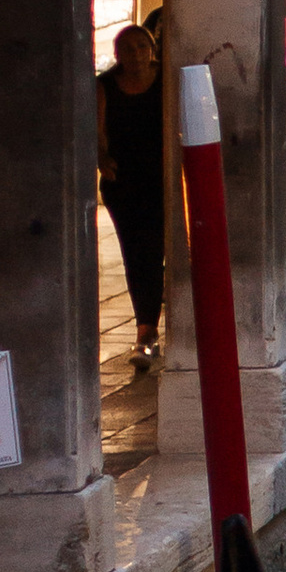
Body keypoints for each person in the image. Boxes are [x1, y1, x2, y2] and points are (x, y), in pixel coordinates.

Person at [95, 22, 168, 366]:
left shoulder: (166, 80)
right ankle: (146, 330)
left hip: (162, 180)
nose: (136, 55)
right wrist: (101, 158)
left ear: (152, 51)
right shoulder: (105, 86)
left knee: (155, 250)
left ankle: (151, 324)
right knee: (136, 253)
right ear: (117, 55)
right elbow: (98, 132)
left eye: (142, 47)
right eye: (128, 49)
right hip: (123, 181)